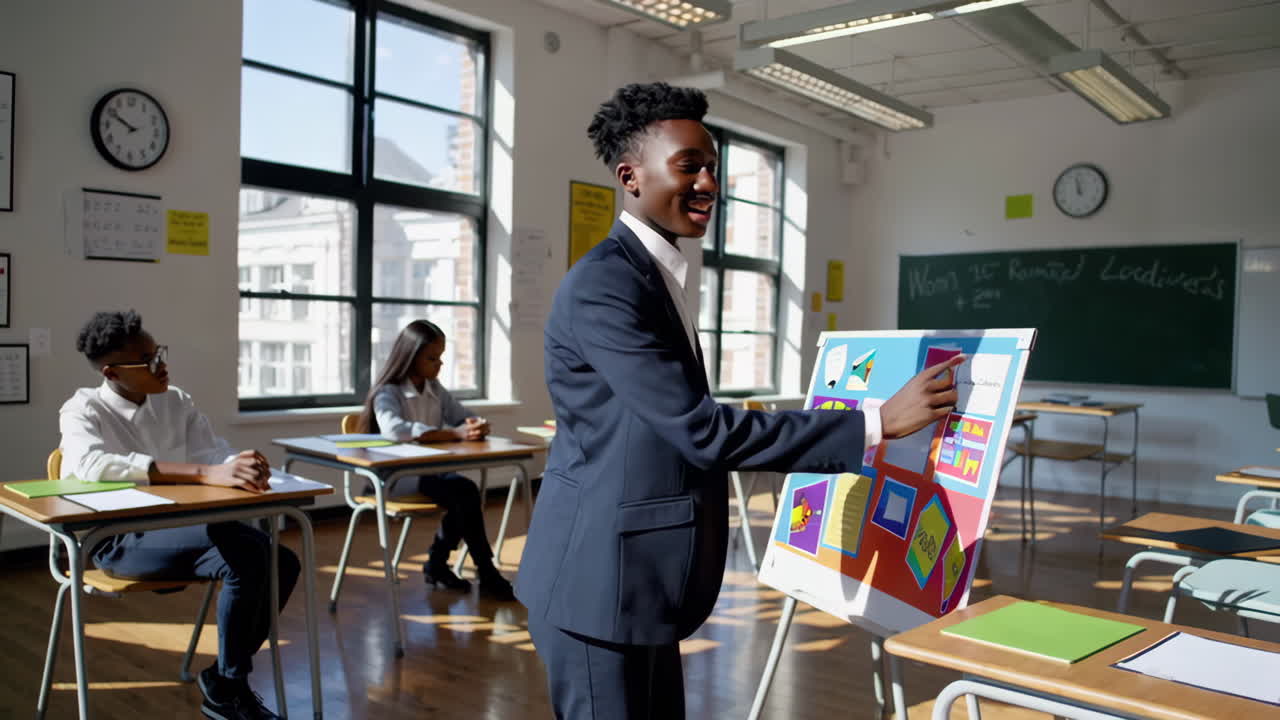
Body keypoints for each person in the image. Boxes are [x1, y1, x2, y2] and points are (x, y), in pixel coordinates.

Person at [515, 82, 964, 719]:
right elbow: (702, 431)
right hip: (598, 584)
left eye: (712, 167)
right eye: (688, 166)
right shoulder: (607, 284)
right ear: (630, 177)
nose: (708, 184)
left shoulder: (654, 274)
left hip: (637, 581)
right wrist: (875, 421)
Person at [58, 310, 298, 720]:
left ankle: (225, 681)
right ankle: (229, 687)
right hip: (118, 540)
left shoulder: (175, 400)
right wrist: (206, 471)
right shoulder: (83, 408)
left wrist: (236, 461)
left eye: (160, 353)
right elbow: (91, 465)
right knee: (248, 554)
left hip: (182, 527)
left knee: (281, 560)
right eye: (148, 360)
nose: (162, 366)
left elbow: (210, 451)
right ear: (113, 373)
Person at [357, 319, 516, 601]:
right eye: (432, 358)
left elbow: (460, 414)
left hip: (430, 474)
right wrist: (453, 433)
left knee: (462, 495)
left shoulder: (434, 388)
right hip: (394, 477)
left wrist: (475, 423)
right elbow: (395, 430)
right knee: (464, 492)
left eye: (440, 357)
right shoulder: (387, 392)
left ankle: (440, 564)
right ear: (410, 357)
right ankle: (480, 570)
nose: (438, 364)